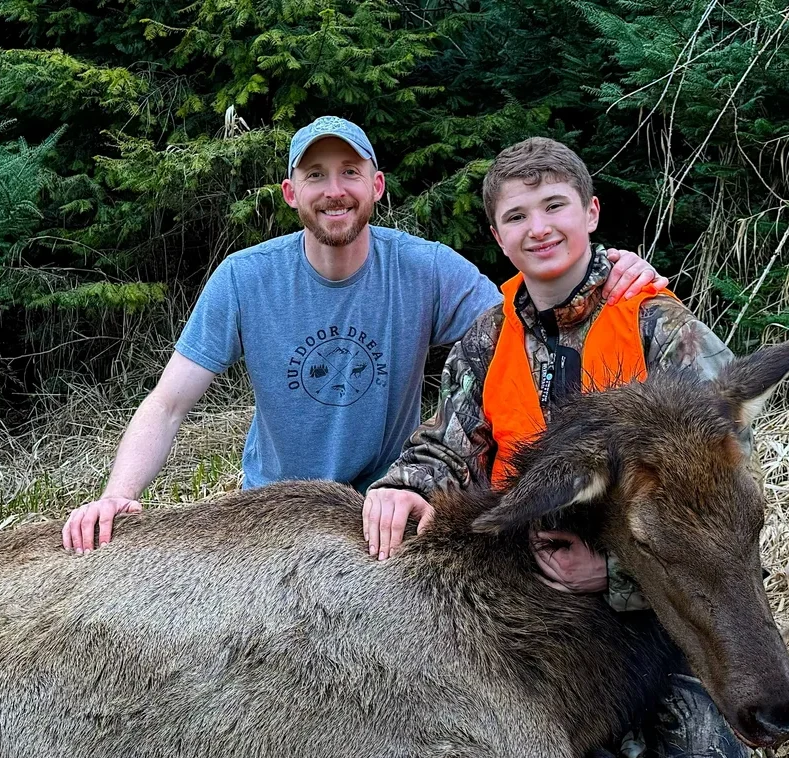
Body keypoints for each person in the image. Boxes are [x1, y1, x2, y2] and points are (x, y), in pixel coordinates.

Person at [362, 135, 762, 758]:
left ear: (591, 213)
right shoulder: (486, 339)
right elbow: (443, 444)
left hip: (655, 599)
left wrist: (611, 574)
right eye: (517, 216)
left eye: (554, 206)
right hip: (531, 593)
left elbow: (720, 523)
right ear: (497, 235)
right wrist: (401, 483)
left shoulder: (657, 325)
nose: (538, 228)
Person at [63, 117, 664, 553]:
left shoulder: (425, 268)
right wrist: (117, 495)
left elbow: (529, 314)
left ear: (375, 186)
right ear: (291, 193)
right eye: (316, 175)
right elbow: (168, 404)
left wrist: (609, 270)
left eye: (350, 171)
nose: (335, 190)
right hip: (272, 508)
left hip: (388, 505)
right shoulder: (246, 279)